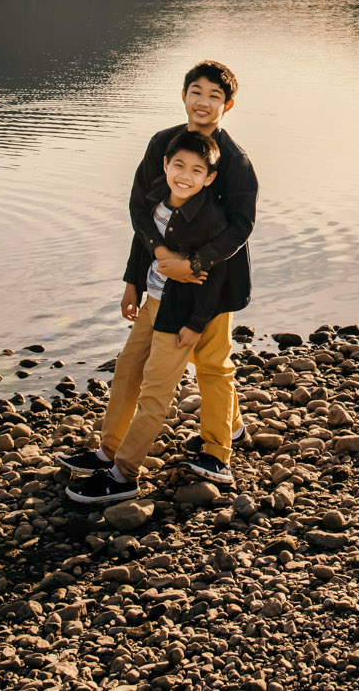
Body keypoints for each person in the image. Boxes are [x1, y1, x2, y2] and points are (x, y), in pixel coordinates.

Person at [60, 61, 258, 489]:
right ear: (184, 95)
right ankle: (115, 449)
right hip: (157, 280)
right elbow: (143, 213)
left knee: (211, 365)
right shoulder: (162, 146)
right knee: (136, 366)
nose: (203, 103)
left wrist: (195, 265)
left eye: (214, 96)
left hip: (210, 283)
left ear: (228, 104)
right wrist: (139, 271)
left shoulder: (236, 162)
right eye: (196, 92)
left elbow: (240, 228)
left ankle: (217, 451)